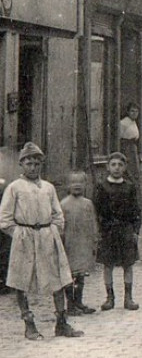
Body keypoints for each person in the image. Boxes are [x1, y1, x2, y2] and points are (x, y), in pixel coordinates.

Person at [0, 142, 83, 339]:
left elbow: (58, 214)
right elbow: (4, 218)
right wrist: (19, 234)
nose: (33, 167)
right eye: (28, 163)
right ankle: (29, 323)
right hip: (25, 237)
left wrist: (53, 230)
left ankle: (61, 322)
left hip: (47, 236)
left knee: (58, 278)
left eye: (36, 163)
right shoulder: (15, 188)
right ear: (22, 165)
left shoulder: (48, 188)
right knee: (22, 279)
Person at [94, 152, 141, 312]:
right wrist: (99, 230)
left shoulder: (130, 187)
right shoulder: (101, 186)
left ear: (125, 167)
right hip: (108, 230)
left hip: (125, 229)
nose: (116, 168)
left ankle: (128, 298)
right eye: (113, 164)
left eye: (120, 165)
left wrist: (135, 230)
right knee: (108, 265)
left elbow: (136, 210)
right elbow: (97, 210)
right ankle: (110, 298)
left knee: (128, 264)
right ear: (108, 167)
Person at [60, 171, 98, 316]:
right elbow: (60, 225)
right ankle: (70, 305)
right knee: (70, 276)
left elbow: (93, 222)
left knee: (81, 275)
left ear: (85, 185)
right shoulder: (63, 204)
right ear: (67, 185)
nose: (77, 185)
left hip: (83, 243)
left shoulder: (88, 204)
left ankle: (79, 302)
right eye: (73, 182)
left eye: (80, 182)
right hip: (69, 244)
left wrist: (94, 239)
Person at [119, 103, 142, 197]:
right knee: (129, 173)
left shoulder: (134, 122)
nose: (134, 113)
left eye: (136, 111)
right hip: (127, 148)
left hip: (133, 148)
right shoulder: (123, 123)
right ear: (128, 112)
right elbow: (120, 137)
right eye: (132, 111)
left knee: (135, 174)